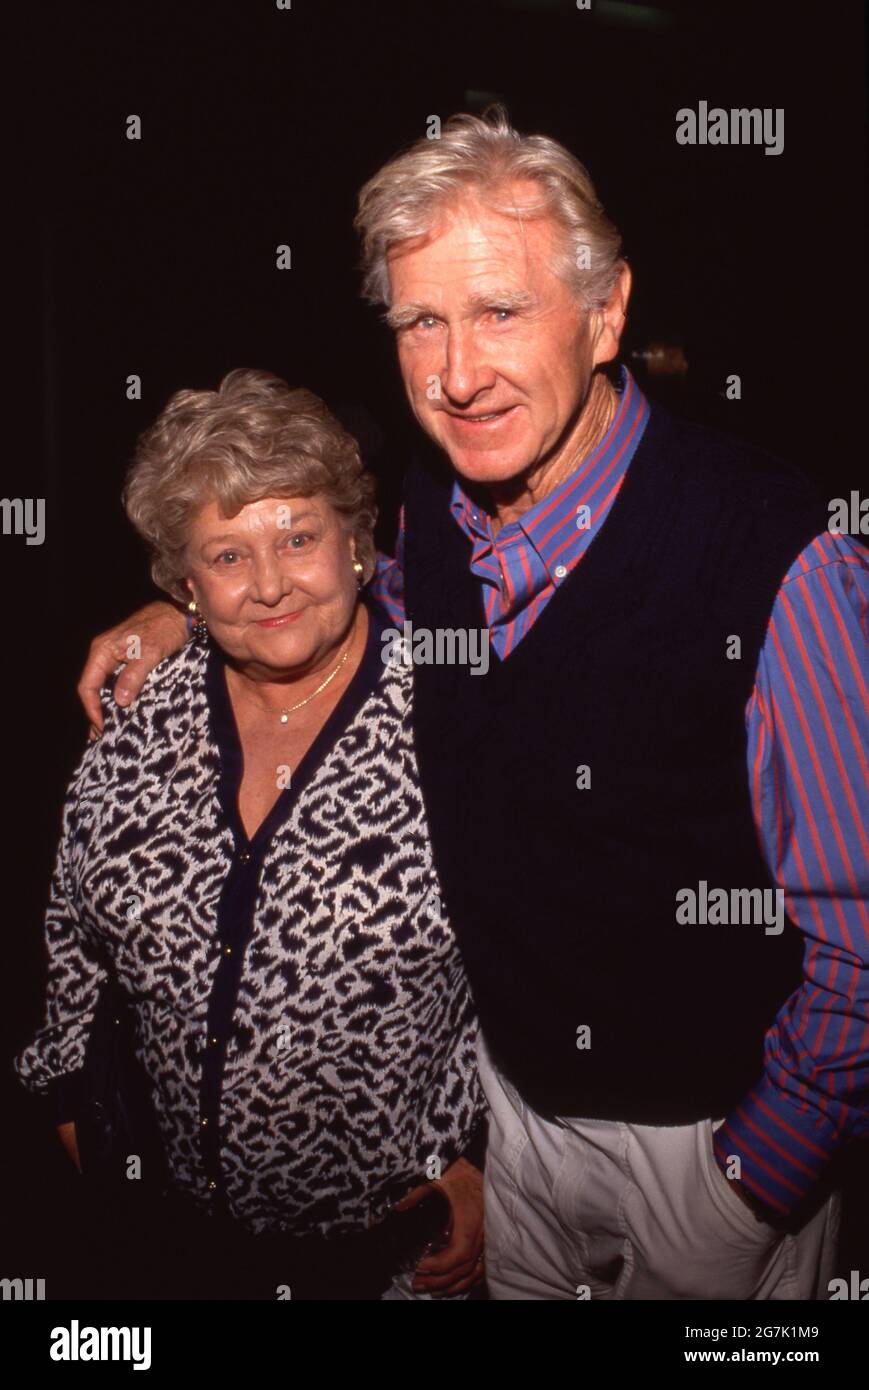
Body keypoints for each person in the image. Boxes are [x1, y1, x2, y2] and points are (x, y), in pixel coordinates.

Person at [76, 108, 868, 1300]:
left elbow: (858, 933)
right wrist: (189, 611)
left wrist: (753, 1174)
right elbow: (344, 599)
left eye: (500, 311)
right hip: (512, 1130)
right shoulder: (432, 521)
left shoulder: (773, 552)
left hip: (707, 1146)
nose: (456, 373)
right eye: (421, 323)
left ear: (605, 315)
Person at [16, 368, 487, 1301]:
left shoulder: (453, 718)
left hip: (392, 1254)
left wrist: (482, 1158)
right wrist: (69, 1089)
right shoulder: (142, 712)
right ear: (183, 581)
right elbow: (74, 921)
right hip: (171, 1247)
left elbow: (536, 958)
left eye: (298, 537)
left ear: (356, 542)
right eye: (227, 556)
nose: (269, 585)